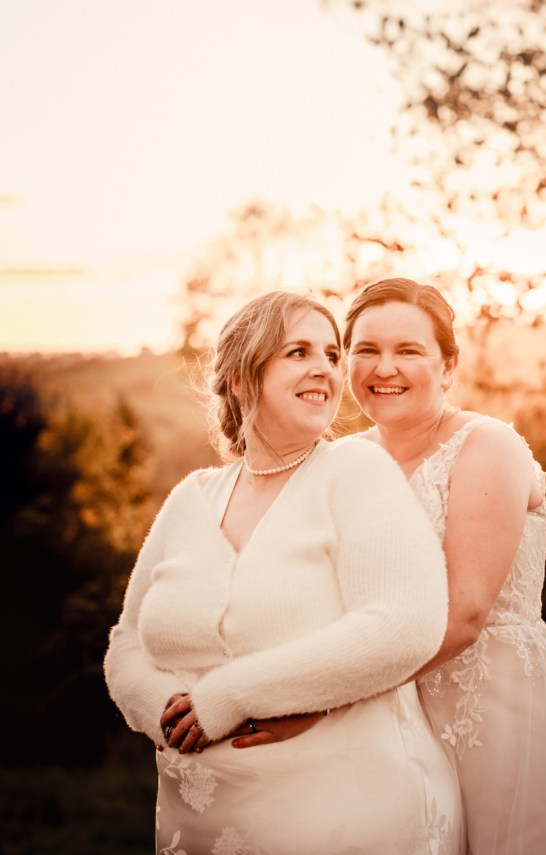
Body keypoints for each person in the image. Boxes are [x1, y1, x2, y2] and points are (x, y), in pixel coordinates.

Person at [104, 290, 463, 855]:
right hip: (193, 822)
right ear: (242, 378)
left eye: (330, 354)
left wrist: (230, 697)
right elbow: (126, 645)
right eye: (297, 352)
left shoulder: (356, 470)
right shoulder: (190, 498)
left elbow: (405, 623)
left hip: (343, 815)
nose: (324, 366)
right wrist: (167, 713)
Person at [342, 277, 546, 855]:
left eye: (408, 350)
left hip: (496, 702)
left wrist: (325, 694)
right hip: (387, 715)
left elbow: (466, 614)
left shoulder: (488, 445)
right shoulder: (342, 462)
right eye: (366, 349)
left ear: (449, 365)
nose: (386, 368)